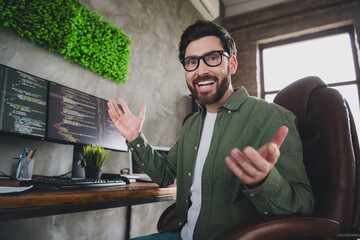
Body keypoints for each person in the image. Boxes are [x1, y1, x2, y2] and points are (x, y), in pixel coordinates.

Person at [107, 20, 314, 240]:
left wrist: (263, 181)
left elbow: (304, 206)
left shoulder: (274, 119)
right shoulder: (192, 124)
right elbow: (165, 175)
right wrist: (134, 137)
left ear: (232, 64)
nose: (201, 70)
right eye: (191, 62)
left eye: (212, 58)